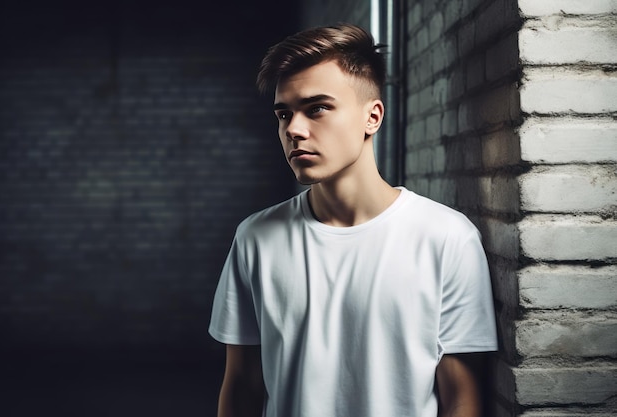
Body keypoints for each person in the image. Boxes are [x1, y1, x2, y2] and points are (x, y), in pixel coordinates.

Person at [208, 23, 498, 417]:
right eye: (283, 114)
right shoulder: (255, 238)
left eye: (317, 109)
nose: (293, 129)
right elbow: (242, 386)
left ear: (372, 117)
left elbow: (461, 397)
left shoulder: (446, 237)